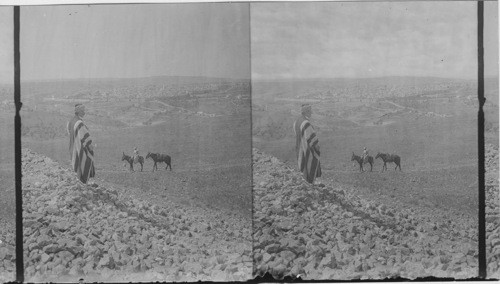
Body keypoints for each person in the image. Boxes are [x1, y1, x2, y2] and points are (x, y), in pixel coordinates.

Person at [293, 103, 322, 185]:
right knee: (309, 165)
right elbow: (312, 139)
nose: (311, 112)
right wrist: (317, 148)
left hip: (299, 148)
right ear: (306, 111)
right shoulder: (306, 123)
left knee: (302, 165)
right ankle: (310, 183)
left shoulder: (296, 121)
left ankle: (305, 183)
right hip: (306, 149)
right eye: (310, 111)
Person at [67, 103, 96, 185]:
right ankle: (83, 183)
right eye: (83, 111)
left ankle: (79, 183)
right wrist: (90, 146)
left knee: (77, 165)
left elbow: (70, 133)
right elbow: (84, 137)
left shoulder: (71, 121)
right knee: (83, 164)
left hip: (72, 147)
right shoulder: (79, 123)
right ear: (78, 111)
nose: (84, 112)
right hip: (80, 149)